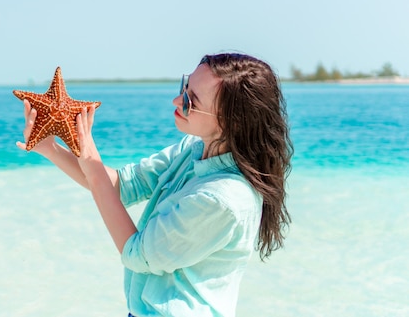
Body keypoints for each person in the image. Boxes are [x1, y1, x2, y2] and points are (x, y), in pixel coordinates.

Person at [16, 52, 292, 317]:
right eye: (184, 87)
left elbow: (137, 254)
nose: (176, 100)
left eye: (190, 101)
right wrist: (51, 149)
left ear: (231, 122)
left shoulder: (222, 199)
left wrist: (91, 160)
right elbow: (124, 186)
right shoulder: (191, 151)